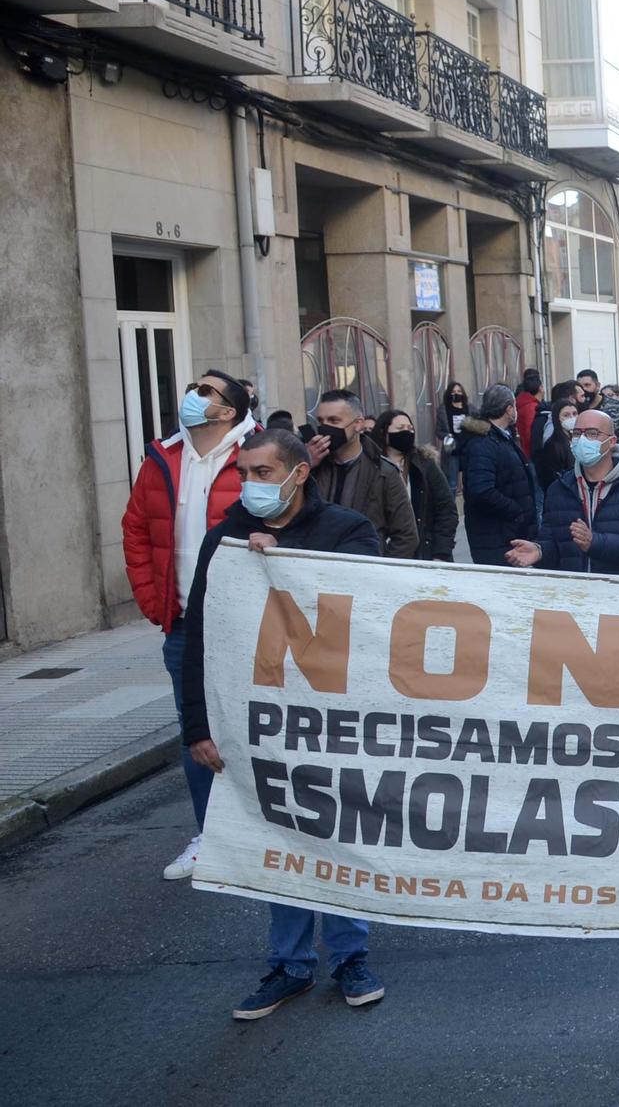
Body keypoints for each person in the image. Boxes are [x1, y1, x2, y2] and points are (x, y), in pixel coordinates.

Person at [176, 429, 386, 1018]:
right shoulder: (227, 537)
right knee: (279, 839)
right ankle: (289, 965)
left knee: (336, 835)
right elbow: (201, 636)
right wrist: (197, 726)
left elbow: (371, 602)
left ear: (298, 474)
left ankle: (350, 957)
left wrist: (286, 564)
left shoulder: (346, 529)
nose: (250, 484)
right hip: (259, 721)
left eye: (263, 473)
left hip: (331, 716)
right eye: (245, 472)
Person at [120, 369, 257, 879]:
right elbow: (136, 528)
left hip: (249, 626)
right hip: (184, 627)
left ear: (229, 410)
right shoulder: (163, 458)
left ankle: (268, 833)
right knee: (196, 733)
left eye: (205, 391)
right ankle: (211, 834)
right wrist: (152, 598)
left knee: (261, 729)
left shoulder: (258, 454)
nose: (191, 396)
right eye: (193, 388)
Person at [506, 409, 619, 577]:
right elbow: (556, 543)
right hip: (578, 594)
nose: (582, 439)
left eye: (592, 433)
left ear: (611, 442)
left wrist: (594, 542)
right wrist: (540, 551)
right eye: (577, 433)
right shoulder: (559, 489)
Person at [307, 390, 419, 558]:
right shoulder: (311, 468)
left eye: (334, 420)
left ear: (358, 423)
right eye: (321, 421)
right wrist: (305, 466)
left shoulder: (383, 472)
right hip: (317, 569)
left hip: (364, 571)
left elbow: (406, 536)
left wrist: (379, 569)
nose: (325, 427)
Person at [458, 384, 537, 566]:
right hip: (496, 536)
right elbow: (481, 491)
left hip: (508, 533)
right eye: (514, 407)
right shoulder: (483, 443)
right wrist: (516, 511)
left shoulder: (501, 437)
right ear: (509, 409)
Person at [371, 410, 455, 561]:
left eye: (410, 428)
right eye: (400, 428)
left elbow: (446, 509)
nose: (406, 432)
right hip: (386, 554)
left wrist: (441, 553)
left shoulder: (424, 464)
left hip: (425, 553)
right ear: (384, 433)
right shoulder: (371, 467)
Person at [535, 395, 580, 493]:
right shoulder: (552, 445)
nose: (572, 418)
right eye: (566, 415)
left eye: (575, 413)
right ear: (557, 418)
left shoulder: (581, 441)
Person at [436, 381, 470, 494]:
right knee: (451, 483)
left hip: (468, 448)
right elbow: (438, 431)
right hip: (452, 449)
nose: (456, 394)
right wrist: (447, 436)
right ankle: (450, 509)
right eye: (453, 391)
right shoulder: (444, 410)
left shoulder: (469, 408)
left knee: (470, 480)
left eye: (459, 391)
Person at [515, 369, 545, 463]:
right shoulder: (532, 407)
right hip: (530, 456)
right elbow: (530, 434)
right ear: (540, 388)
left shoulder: (523, 403)